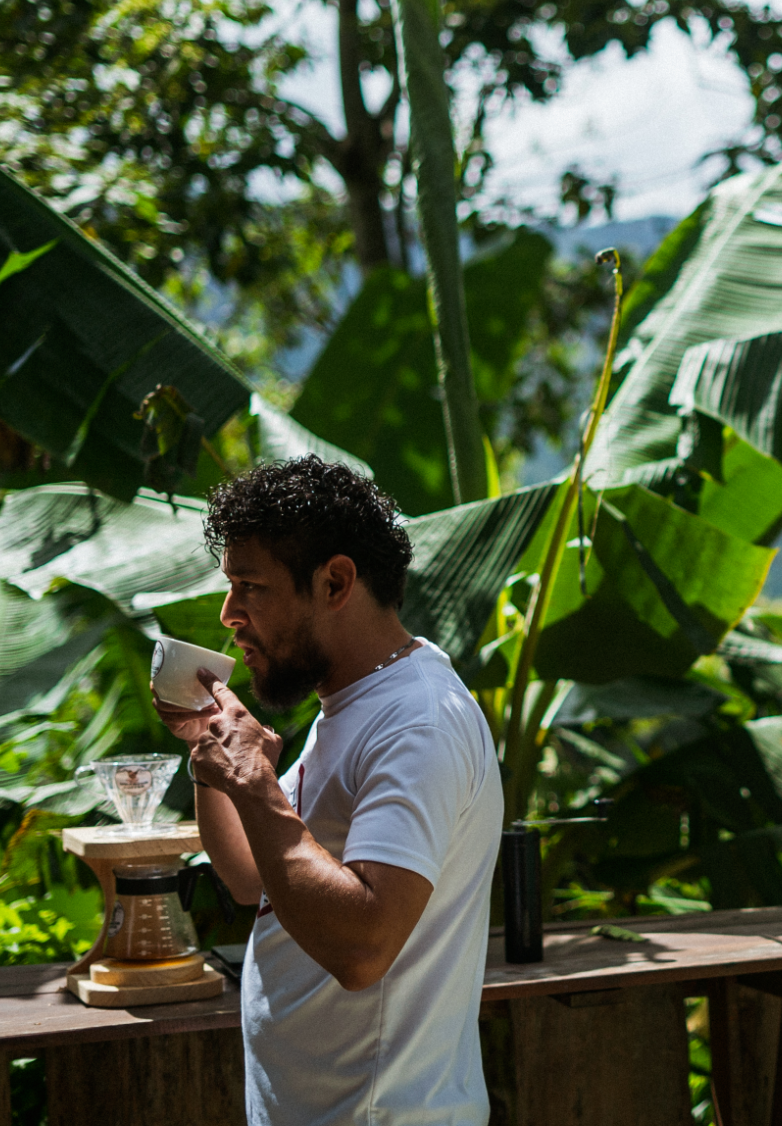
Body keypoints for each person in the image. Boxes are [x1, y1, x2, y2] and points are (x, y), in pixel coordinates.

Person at [155, 456, 502, 1126]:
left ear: (335, 582)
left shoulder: (417, 721)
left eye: (248, 587)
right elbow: (257, 880)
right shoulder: (353, 703)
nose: (229, 614)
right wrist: (210, 757)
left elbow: (363, 947)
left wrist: (257, 784)